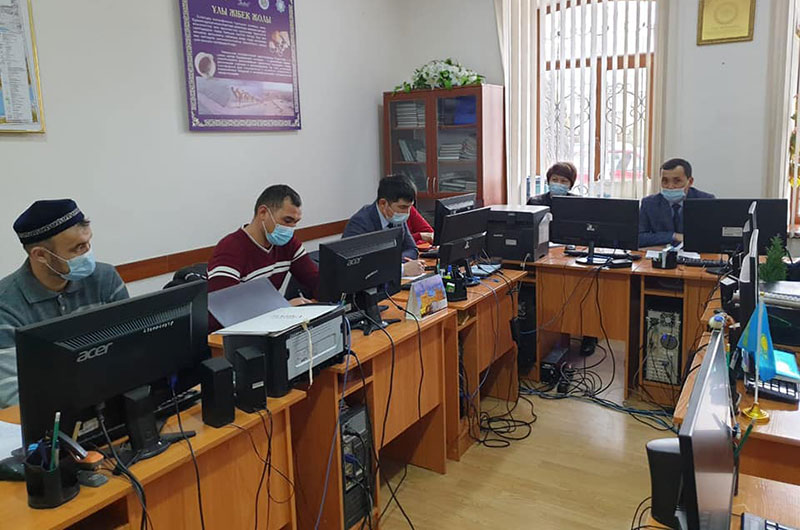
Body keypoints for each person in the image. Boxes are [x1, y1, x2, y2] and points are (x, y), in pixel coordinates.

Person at [0, 199, 129, 408]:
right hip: (52, 417)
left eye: (88, 242)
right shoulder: (5, 305)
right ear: (41, 255)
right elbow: (12, 393)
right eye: (78, 248)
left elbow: (132, 347)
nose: (88, 253)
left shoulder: (105, 278)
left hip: (111, 403)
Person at [207, 185, 319, 332]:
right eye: (287, 220)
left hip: (267, 327)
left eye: (295, 222)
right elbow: (225, 310)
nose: (291, 228)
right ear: (263, 213)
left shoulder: (288, 244)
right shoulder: (230, 248)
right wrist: (284, 310)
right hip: (230, 335)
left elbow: (316, 281)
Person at [343, 175, 425, 277]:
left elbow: (412, 249)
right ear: (383, 203)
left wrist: (397, 265)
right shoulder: (360, 223)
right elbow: (355, 266)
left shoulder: (396, 218)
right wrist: (401, 269)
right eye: (403, 207)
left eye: (410, 207)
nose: (407, 213)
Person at [639, 158, 715, 248]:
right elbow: (639, 237)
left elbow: (712, 237)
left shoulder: (706, 201)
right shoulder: (649, 203)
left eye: (677, 181)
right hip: (660, 254)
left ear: (690, 182)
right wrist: (673, 236)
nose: (670, 186)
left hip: (695, 254)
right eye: (665, 181)